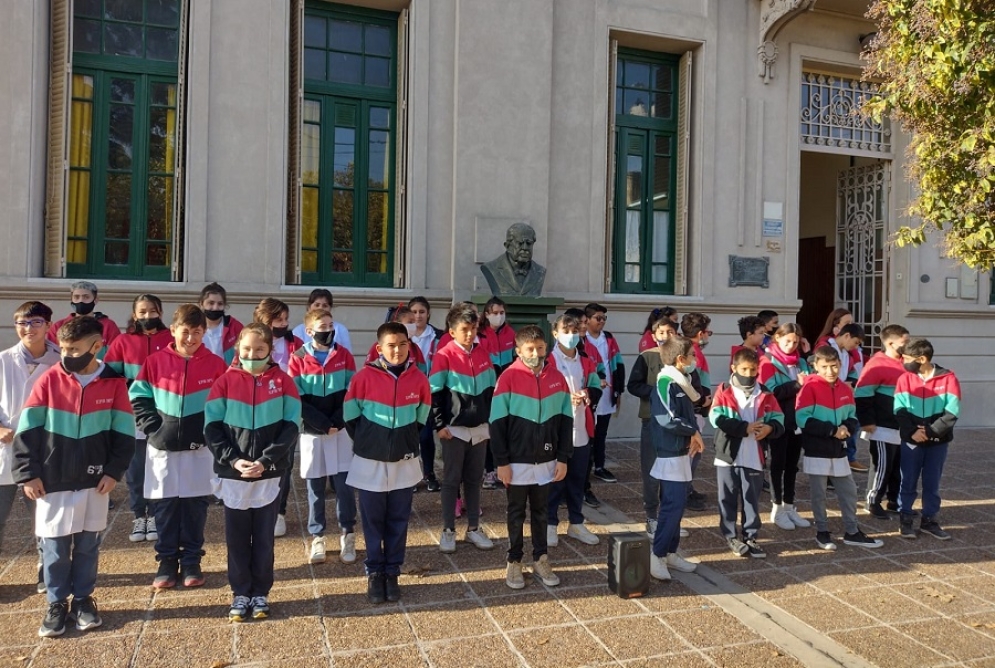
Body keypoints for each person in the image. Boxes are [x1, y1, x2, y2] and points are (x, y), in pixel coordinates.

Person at [13, 316, 134, 637]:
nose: (66, 355)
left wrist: (113, 472)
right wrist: (28, 473)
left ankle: (83, 600)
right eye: (64, 348)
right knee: (53, 547)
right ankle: (56, 603)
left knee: (87, 546)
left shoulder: (114, 383)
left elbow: (124, 435)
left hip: (95, 482)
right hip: (52, 481)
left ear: (97, 347)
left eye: (74, 349)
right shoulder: (49, 380)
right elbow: (28, 431)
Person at [205, 323, 301, 622]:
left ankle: (260, 591)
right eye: (247, 349)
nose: (253, 354)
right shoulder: (224, 382)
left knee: (263, 537)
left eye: (260, 350)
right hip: (235, 474)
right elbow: (212, 428)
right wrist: (233, 460)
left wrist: (267, 460)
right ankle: (240, 592)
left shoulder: (284, 382)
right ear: (238, 349)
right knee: (236, 537)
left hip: (269, 473)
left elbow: (291, 427)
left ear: (270, 350)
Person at [130, 304, 228, 589]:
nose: (191, 338)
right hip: (163, 449)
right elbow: (139, 398)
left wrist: (212, 433)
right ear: (173, 330)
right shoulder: (155, 362)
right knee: (166, 506)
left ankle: (192, 560)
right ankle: (166, 560)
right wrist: (153, 428)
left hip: (200, 450)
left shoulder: (215, 364)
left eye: (197, 332)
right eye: (185, 332)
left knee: (196, 506)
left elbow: (225, 404)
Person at [344, 322, 431, 604]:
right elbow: (350, 416)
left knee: (398, 518)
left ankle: (392, 571)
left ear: (409, 345)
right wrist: (371, 441)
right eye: (391, 346)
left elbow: (421, 416)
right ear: (380, 348)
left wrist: (404, 440)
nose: (397, 350)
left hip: (403, 462)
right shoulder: (363, 378)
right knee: (372, 520)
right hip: (370, 462)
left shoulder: (418, 378)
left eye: (403, 344)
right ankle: (374, 571)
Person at [490, 325, 571, 590]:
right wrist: (501, 462)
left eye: (539, 348)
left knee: (541, 511)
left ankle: (540, 557)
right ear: (518, 350)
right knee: (515, 512)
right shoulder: (508, 377)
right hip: (516, 461)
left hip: (546, 460)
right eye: (529, 349)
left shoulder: (557, 378)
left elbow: (565, 422)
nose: (535, 353)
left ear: (546, 349)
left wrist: (563, 457)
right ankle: (514, 560)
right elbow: (497, 423)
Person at [796, 346, 883, 550]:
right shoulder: (809, 388)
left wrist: (846, 427)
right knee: (819, 494)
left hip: (839, 449)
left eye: (834, 366)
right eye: (825, 367)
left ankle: (852, 531)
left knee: (849, 490)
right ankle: (822, 532)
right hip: (817, 448)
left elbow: (852, 416)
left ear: (840, 365)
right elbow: (802, 419)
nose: (830, 371)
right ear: (816, 366)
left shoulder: (845, 389)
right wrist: (831, 430)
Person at [0, 302, 61, 595]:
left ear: (49, 325)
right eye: (22, 322)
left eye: (36, 322)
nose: (28, 328)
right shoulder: (2, 360)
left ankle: (46, 570)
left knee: (44, 517)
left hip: (43, 453)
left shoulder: (60, 361)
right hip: (5, 451)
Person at [290, 308, 358, 565]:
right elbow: (296, 397)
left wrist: (338, 421)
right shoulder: (297, 359)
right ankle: (317, 535)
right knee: (315, 488)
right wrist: (320, 423)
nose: (327, 330)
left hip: (339, 430)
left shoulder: (344, 355)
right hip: (313, 432)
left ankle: (347, 532)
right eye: (322, 326)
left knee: (344, 485)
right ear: (309, 331)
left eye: (331, 326)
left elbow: (352, 391)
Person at [104, 294, 173, 542]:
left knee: (158, 465)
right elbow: (110, 376)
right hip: (133, 414)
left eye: (152, 311)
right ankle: (138, 515)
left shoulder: (170, 339)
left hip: (164, 413)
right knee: (136, 469)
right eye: (142, 312)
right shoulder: (122, 341)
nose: (147, 316)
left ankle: (155, 514)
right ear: (135, 315)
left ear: (161, 313)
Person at [430, 304, 497, 553]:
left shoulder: (483, 353)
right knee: (450, 479)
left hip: (479, 429)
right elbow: (434, 394)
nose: (469, 334)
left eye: (473, 329)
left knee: (474, 479)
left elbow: (492, 391)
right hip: (454, 430)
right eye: (464, 329)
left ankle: (474, 529)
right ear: (452, 330)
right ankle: (448, 529)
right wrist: (439, 425)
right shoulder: (444, 355)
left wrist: (490, 422)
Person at [710, 348, 785, 558]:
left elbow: (779, 420)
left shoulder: (766, 393)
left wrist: (770, 429)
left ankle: (751, 535)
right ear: (734, 368)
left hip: (754, 454)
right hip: (727, 455)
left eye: (753, 370)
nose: (749, 374)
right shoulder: (724, 390)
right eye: (744, 369)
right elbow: (716, 418)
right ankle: (730, 535)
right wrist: (744, 428)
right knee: (727, 497)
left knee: (751, 498)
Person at [648, 336, 705, 580]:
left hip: (682, 452)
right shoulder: (666, 382)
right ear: (680, 359)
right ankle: (657, 555)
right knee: (672, 506)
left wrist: (694, 433)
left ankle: (670, 552)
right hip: (670, 453)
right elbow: (667, 419)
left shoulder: (682, 382)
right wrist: (692, 432)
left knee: (679, 505)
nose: (694, 360)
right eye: (692, 355)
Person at [894, 337, 960, 540]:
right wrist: (912, 432)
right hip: (911, 440)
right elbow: (899, 408)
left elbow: (952, 412)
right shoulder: (904, 378)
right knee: (908, 480)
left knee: (932, 482)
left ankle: (929, 519)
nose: (903, 362)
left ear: (922, 359)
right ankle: (905, 518)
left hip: (937, 442)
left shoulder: (948, 378)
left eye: (906, 358)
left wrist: (931, 432)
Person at [546, 313, 603, 548]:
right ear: (555, 333)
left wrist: (587, 394)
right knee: (554, 480)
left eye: (574, 331)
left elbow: (596, 386)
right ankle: (549, 524)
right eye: (565, 331)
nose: (571, 336)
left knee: (578, 478)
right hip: (555, 431)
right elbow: (542, 392)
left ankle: (576, 522)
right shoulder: (547, 361)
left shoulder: (586, 361)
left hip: (580, 428)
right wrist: (564, 398)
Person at [253, 298, 304, 537]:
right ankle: (257, 506)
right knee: (257, 458)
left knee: (283, 461)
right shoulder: (251, 342)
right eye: (278, 319)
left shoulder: (297, 343)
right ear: (265, 320)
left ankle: (279, 512)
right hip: (257, 409)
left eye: (286, 319)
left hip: (287, 409)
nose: (284, 324)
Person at [627, 318, 681, 536]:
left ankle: (670, 517)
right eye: (661, 332)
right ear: (654, 334)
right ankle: (651, 516)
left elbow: (693, 384)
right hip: (653, 420)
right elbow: (633, 385)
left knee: (674, 473)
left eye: (670, 331)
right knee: (651, 471)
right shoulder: (647, 356)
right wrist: (657, 392)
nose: (665, 336)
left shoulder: (683, 355)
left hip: (678, 423)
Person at [759, 323, 812, 531]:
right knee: (777, 463)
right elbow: (770, 391)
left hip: (797, 419)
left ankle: (790, 506)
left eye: (795, 342)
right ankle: (777, 507)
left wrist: (808, 365)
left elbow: (810, 383)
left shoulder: (800, 361)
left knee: (792, 464)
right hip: (778, 419)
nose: (791, 345)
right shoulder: (767, 362)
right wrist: (797, 385)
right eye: (787, 341)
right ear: (777, 339)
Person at [854, 324, 910, 519]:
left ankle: (895, 500)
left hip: (901, 425)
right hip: (882, 425)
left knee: (899, 466)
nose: (908, 345)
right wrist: (867, 421)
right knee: (882, 465)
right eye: (905, 342)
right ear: (890, 342)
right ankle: (873, 500)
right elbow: (862, 395)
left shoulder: (907, 362)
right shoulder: (877, 364)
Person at [584, 303, 625, 489]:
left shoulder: (608, 338)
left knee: (602, 432)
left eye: (603, 318)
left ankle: (599, 466)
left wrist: (618, 389)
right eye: (597, 318)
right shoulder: (582, 339)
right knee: (588, 432)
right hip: (591, 391)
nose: (601, 322)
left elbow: (618, 363)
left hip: (607, 391)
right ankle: (585, 465)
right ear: (588, 319)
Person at [480, 297, 516, 490]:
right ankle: (489, 471)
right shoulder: (481, 334)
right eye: (494, 313)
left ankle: (502, 467)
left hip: (507, 389)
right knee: (489, 431)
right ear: (486, 314)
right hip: (487, 389)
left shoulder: (511, 332)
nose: (499, 316)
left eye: (501, 312)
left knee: (504, 430)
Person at [407, 297, 443, 491]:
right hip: (407, 394)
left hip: (429, 393)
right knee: (410, 436)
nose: (418, 315)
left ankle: (429, 473)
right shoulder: (403, 335)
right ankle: (411, 476)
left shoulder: (438, 336)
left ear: (428, 313)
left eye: (422, 311)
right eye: (414, 311)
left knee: (426, 436)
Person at [679, 312, 714, 509]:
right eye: (708, 332)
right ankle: (684, 491)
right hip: (695, 408)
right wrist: (702, 401)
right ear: (701, 333)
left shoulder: (688, 349)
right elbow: (693, 382)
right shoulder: (693, 352)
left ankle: (688, 488)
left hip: (696, 406)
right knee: (693, 451)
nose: (708, 336)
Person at [824, 322, 868, 472]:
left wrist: (852, 383)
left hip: (842, 396)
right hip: (827, 397)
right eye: (855, 343)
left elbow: (852, 373)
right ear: (847, 335)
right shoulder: (827, 347)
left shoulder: (847, 354)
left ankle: (846, 460)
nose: (856, 347)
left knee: (848, 426)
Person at [47, 281, 121, 358]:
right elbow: (51, 355)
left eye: (86, 297)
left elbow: (115, 355)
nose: (81, 301)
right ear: (71, 300)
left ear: (95, 300)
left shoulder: (108, 326)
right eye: (76, 297)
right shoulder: (59, 326)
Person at [479, 222, 547, 297]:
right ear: (507, 246)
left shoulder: (540, 271)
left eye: (529, 243)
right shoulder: (491, 268)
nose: (525, 248)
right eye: (520, 243)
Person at [199, 282, 243, 365]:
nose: (215, 308)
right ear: (201, 304)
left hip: (227, 375)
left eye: (220, 304)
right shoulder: (193, 327)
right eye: (211, 303)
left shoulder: (235, 327)